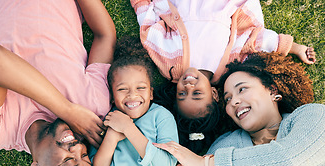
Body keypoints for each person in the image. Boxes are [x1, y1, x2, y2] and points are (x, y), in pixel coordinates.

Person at [135, 52, 325, 166]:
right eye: (227, 99)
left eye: (242, 89)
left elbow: (288, 160)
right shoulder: (221, 150)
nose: (233, 101)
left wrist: (206, 165)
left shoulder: (312, 117)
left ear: (272, 90)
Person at [0, 0, 116, 166]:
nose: (78, 147)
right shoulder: (91, 108)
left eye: (68, 160)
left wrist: (67, 110)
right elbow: (105, 36)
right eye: (84, 157)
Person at [131, 0, 316, 154]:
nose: (187, 86)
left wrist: (140, 4)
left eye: (181, 94)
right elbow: (256, 41)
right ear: (215, 94)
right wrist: (294, 48)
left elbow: (149, 33)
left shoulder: (168, 65)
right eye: (197, 94)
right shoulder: (231, 66)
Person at [89, 37, 178, 166]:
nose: (132, 95)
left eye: (141, 88)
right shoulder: (107, 119)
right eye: (122, 89)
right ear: (112, 96)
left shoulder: (161, 117)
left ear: (151, 93)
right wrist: (111, 137)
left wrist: (129, 129)